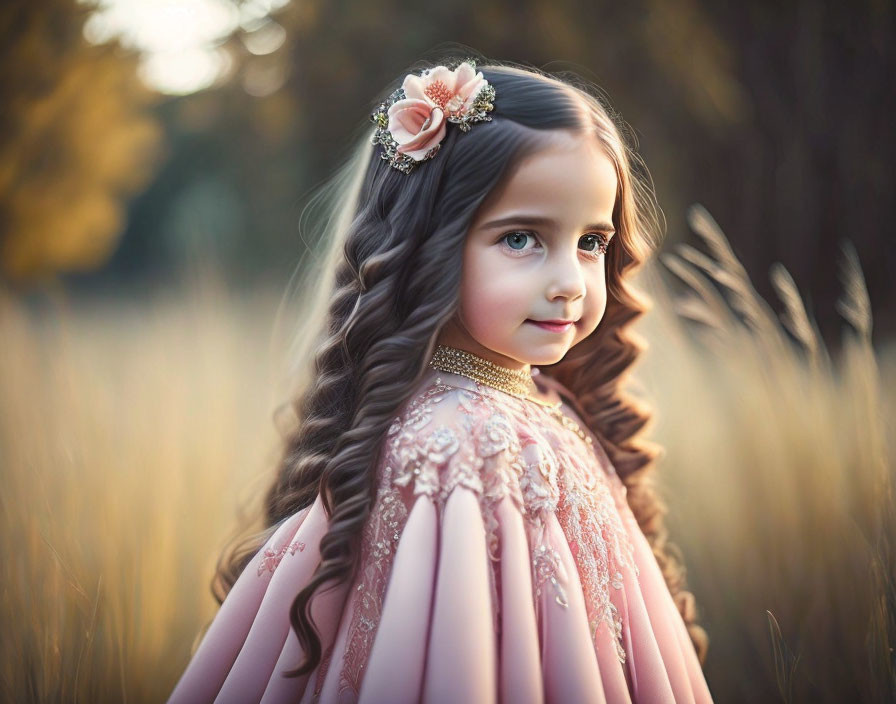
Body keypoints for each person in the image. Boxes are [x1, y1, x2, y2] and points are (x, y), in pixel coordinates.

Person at [166, 56, 715, 703]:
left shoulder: (543, 404)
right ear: (431, 241)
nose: (569, 280)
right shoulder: (462, 440)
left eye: (591, 241)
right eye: (522, 239)